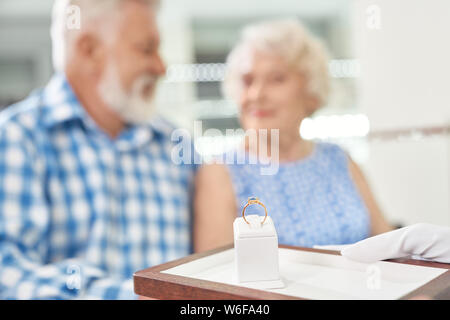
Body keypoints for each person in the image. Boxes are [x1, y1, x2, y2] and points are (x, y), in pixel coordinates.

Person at [0, 0, 196, 299]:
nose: (161, 66)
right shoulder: (17, 138)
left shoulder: (177, 146)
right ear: (89, 50)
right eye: (146, 49)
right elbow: (8, 275)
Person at [194, 19, 393, 253]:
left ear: (310, 92)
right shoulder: (220, 172)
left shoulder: (339, 160)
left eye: (277, 79)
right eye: (248, 81)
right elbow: (216, 279)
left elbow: (389, 246)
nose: (257, 94)